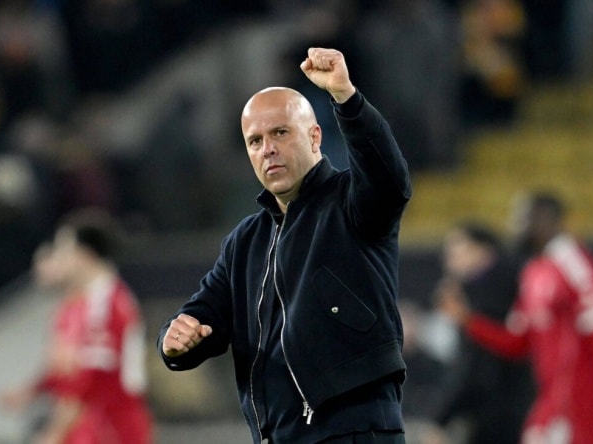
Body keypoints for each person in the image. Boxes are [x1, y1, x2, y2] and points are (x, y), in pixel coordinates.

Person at [158, 47, 411, 443]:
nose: (267, 149)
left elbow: (388, 175)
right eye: (254, 141)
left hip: (354, 431)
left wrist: (346, 97)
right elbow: (201, 317)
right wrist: (172, 341)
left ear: (314, 137)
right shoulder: (245, 241)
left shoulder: (352, 202)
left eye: (280, 133)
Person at [440, 192, 593, 444]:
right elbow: (518, 342)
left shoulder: (574, 264)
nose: (515, 226)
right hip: (551, 403)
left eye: (522, 218)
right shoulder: (533, 272)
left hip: (582, 403)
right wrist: (468, 320)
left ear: (546, 219)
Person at [1, 209, 153, 444]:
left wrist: (54, 432)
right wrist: (32, 392)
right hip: (88, 427)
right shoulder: (79, 304)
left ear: (85, 255)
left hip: (112, 428)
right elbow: (69, 371)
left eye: (64, 250)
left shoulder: (107, 304)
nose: (59, 257)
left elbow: (94, 380)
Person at [432, 222, 533, 444]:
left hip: (503, 411)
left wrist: (441, 419)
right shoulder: (498, 283)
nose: (448, 259)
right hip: (512, 406)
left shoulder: (493, 294)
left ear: (482, 251)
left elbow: (478, 365)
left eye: (455, 251)